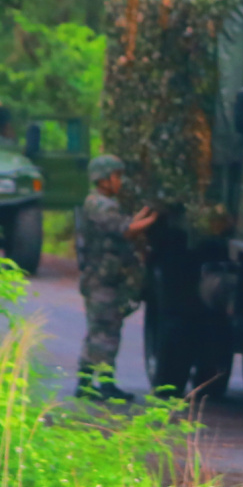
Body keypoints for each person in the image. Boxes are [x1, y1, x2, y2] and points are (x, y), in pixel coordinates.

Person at [77, 154, 156, 403]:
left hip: (102, 278)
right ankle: (97, 385)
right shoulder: (100, 205)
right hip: (102, 280)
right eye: (116, 176)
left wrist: (147, 212)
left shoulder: (101, 203)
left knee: (102, 331)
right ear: (103, 179)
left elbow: (126, 222)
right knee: (105, 332)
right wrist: (153, 220)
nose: (119, 181)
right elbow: (127, 229)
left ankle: (90, 383)